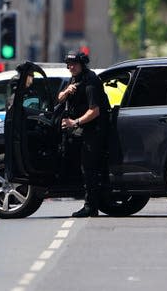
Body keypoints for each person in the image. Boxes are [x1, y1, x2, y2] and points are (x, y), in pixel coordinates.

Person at [58, 51, 110, 217]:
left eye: (74, 64)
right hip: (83, 131)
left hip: (94, 130)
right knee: (84, 168)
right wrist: (67, 92)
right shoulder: (74, 79)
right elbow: (59, 98)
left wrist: (75, 123)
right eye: (68, 64)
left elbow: (94, 111)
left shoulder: (90, 81)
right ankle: (90, 203)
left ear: (82, 63)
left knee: (90, 169)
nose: (70, 67)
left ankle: (91, 207)